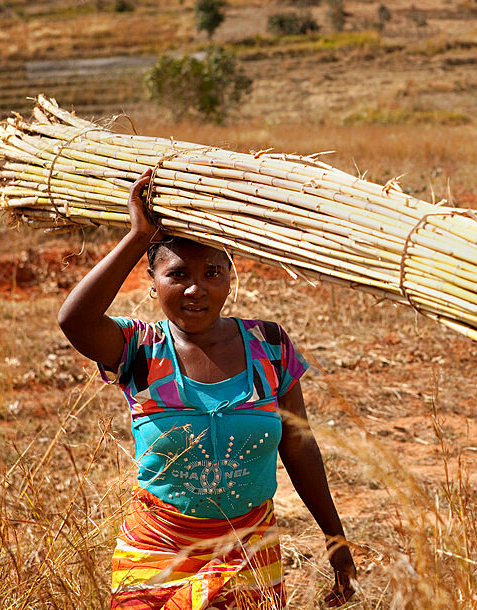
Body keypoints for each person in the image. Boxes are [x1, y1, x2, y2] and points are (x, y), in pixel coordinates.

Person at [57, 169, 356, 609]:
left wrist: (336, 540)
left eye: (212, 272)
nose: (195, 288)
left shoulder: (269, 346)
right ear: (153, 281)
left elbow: (299, 447)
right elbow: (74, 321)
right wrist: (138, 236)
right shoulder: (139, 348)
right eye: (177, 274)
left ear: (230, 277)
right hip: (158, 551)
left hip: (248, 554)